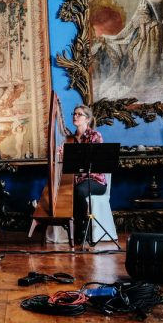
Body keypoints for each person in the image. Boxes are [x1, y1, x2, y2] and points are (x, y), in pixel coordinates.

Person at [70, 105, 107, 245]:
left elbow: (96, 163)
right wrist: (62, 156)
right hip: (79, 181)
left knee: (78, 191)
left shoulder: (95, 136)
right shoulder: (70, 138)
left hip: (95, 181)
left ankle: (83, 228)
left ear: (88, 119)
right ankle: (76, 229)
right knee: (72, 190)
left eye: (79, 114)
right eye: (74, 113)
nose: (75, 116)